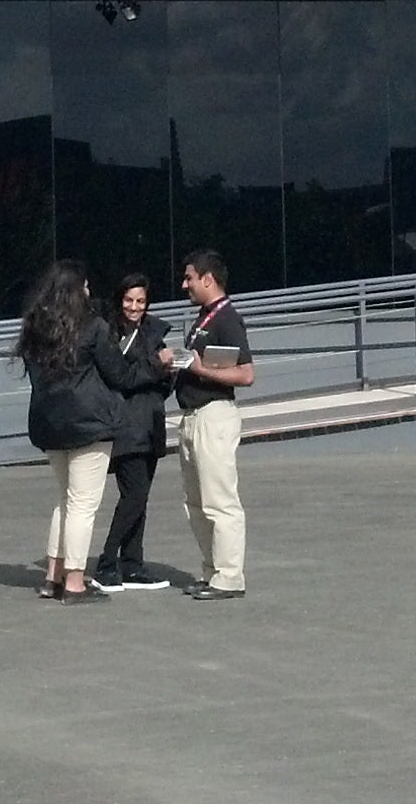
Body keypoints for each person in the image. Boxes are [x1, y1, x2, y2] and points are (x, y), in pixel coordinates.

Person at [16, 260, 132, 602]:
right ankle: (75, 582)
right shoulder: (93, 326)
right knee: (82, 504)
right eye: (85, 286)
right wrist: (156, 366)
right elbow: (119, 374)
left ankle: (53, 576)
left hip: (50, 423)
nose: (89, 291)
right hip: (89, 423)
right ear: (76, 291)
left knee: (65, 500)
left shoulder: (35, 329)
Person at [171, 250, 255, 600]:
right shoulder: (203, 318)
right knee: (195, 502)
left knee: (220, 500)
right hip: (192, 416)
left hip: (214, 415)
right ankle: (212, 571)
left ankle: (229, 577)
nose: (184, 285)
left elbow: (246, 374)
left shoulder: (227, 319)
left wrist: (200, 369)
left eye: (189, 278)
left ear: (208, 279)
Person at [90, 272, 176, 593]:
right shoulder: (109, 333)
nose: (134, 307)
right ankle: (107, 563)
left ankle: (132, 564)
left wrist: (166, 373)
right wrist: (156, 366)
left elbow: (161, 381)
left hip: (150, 422)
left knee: (140, 498)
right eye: (129, 300)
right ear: (119, 299)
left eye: (141, 301)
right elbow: (120, 377)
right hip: (126, 426)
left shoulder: (152, 331)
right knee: (134, 495)